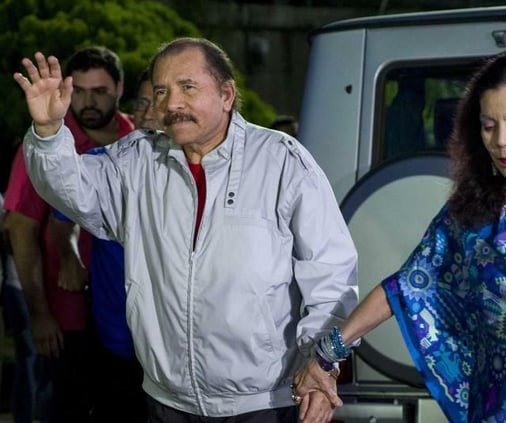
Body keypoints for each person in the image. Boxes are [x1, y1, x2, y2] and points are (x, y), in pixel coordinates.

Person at [14, 37, 359, 423]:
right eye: (162, 91)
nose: (172, 103)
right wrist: (48, 131)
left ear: (226, 94)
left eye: (188, 87)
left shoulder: (282, 161)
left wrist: (322, 363)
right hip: (167, 401)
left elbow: (331, 274)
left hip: (264, 403)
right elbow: (71, 190)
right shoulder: (138, 159)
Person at [293, 50, 506, 422]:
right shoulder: (470, 214)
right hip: (501, 406)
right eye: (488, 126)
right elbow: (407, 286)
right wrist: (326, 353)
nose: (501, 140)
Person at [4, 45, 135, 423]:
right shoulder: (43, 141)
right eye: (79, 91)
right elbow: (20, 228)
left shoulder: (138, 137)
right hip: (68, 313)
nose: (88, 102)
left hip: (130, 315)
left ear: (119, 88)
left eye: (100, 91)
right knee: (66, 405)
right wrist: (40, 314)